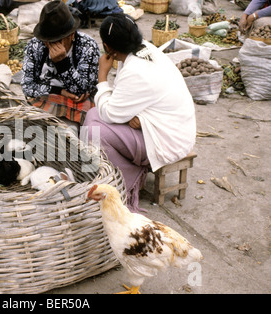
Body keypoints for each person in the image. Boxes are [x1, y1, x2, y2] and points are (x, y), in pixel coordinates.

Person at [81, 14, 196, 213]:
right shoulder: (144, 48)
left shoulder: (136, 70)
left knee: (93, 130)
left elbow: (110, 113)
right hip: (169, 126)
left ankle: (122, 186)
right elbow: (120, 102)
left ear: (108, 48)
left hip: (167, 140)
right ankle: (116, 173)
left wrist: (102, 77)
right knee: (92, 116)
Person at [21, 0, 100, 126]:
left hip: (77, 101)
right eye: (47, 40)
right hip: (46, 95)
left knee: (73, 132)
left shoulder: (88, 46)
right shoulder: (35, 45)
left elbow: (82, 90)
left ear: (71, 35)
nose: (49, 45)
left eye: (56, 40)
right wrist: (58, 91)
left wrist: (62, 63)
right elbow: (27, 86)